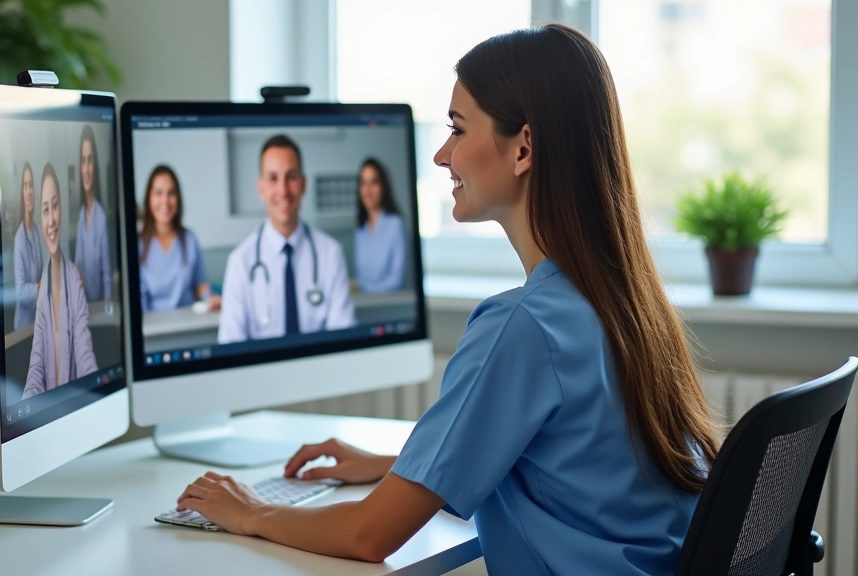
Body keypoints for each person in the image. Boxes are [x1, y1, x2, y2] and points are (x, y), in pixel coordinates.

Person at [175, 25, 719, 575]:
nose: (440, 155)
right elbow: (573, 466)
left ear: (523, 147)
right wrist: (400, 469)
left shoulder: (522, 325)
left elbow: (370, 536)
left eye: (457, 130)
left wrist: (253, 511)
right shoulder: (623, 303)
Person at [217, 134, 356, 343]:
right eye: (273, 178)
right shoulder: (240, 262)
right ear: (261, 188)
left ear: (303, 184)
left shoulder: (331, 253)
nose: (283, 190)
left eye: (291, 177)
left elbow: (344, 339)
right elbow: (231, 345)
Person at [24, 163, 99, 399]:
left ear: (62, 210)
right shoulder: (43, 285)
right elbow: (36, 366)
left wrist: (98, 392)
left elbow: (84, 350)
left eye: (55, 206)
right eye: (45, 210)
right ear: (40, 219)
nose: (52, 220)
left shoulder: (74, 278)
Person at [139, 165, 220, 312]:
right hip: (151, 327)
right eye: (158, 193)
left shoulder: (190, 239)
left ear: (178, 198)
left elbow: (200, 284)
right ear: (149, 198)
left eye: (171, 193)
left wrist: (210, 298)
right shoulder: (138, 245)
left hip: (187, 323)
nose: (165, 201)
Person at [353, 157, 407, 293]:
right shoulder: (361, 229)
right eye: (363, 183)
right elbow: (362, 277)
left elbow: (396, 281)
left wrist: (363, 289)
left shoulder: (395, 225)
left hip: (387, 305)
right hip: (365, 305)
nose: (367, 190)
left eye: (373, 182)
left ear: (383, 187)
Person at [74, 124, 113, 302]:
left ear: (95, 165)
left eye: (90, 160)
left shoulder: (101, 218)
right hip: (83, 306)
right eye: (83, 160)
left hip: (99, 308)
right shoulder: (82, 215)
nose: (86, 168)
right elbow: (78, 264)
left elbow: (107, 274)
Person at [13, 161, 44, 330]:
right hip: (24, 328)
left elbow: (44, 272)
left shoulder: (38, 231)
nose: (29, 191)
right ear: (22, 193)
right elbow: (20, 293)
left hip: (38, 323)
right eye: (25, 186)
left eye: (31, 185)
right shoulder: (20, 238)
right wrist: (39, 286)